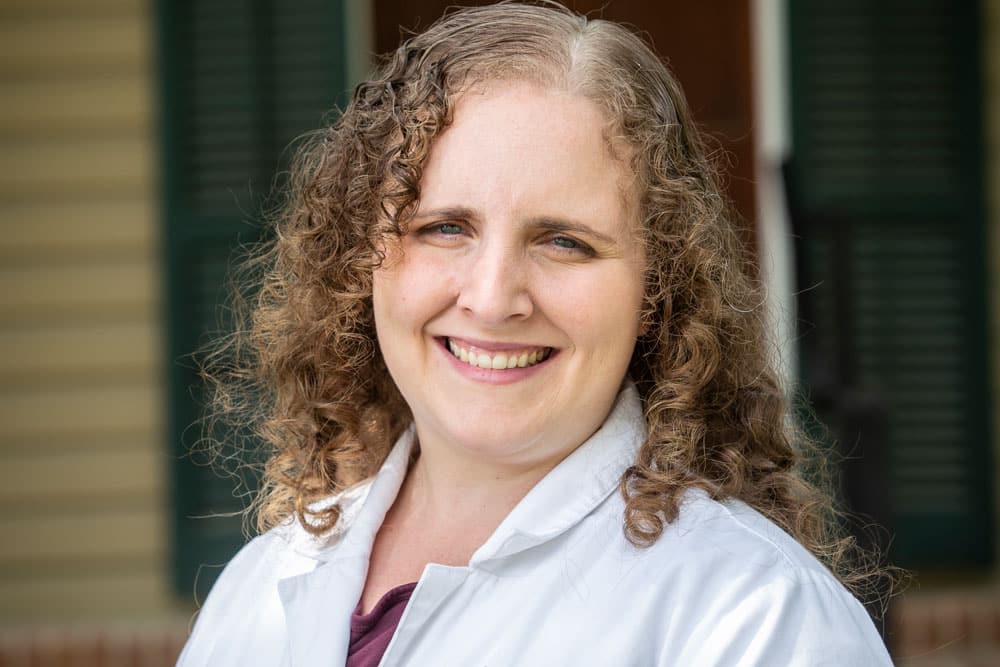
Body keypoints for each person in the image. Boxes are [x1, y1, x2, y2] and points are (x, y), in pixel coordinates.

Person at [177, 2, 893, 665]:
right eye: (444, 227)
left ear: (657, 288)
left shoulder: (756, 616)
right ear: (358, 257)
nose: (492, 299)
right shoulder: (262, 584)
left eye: (564, 242)